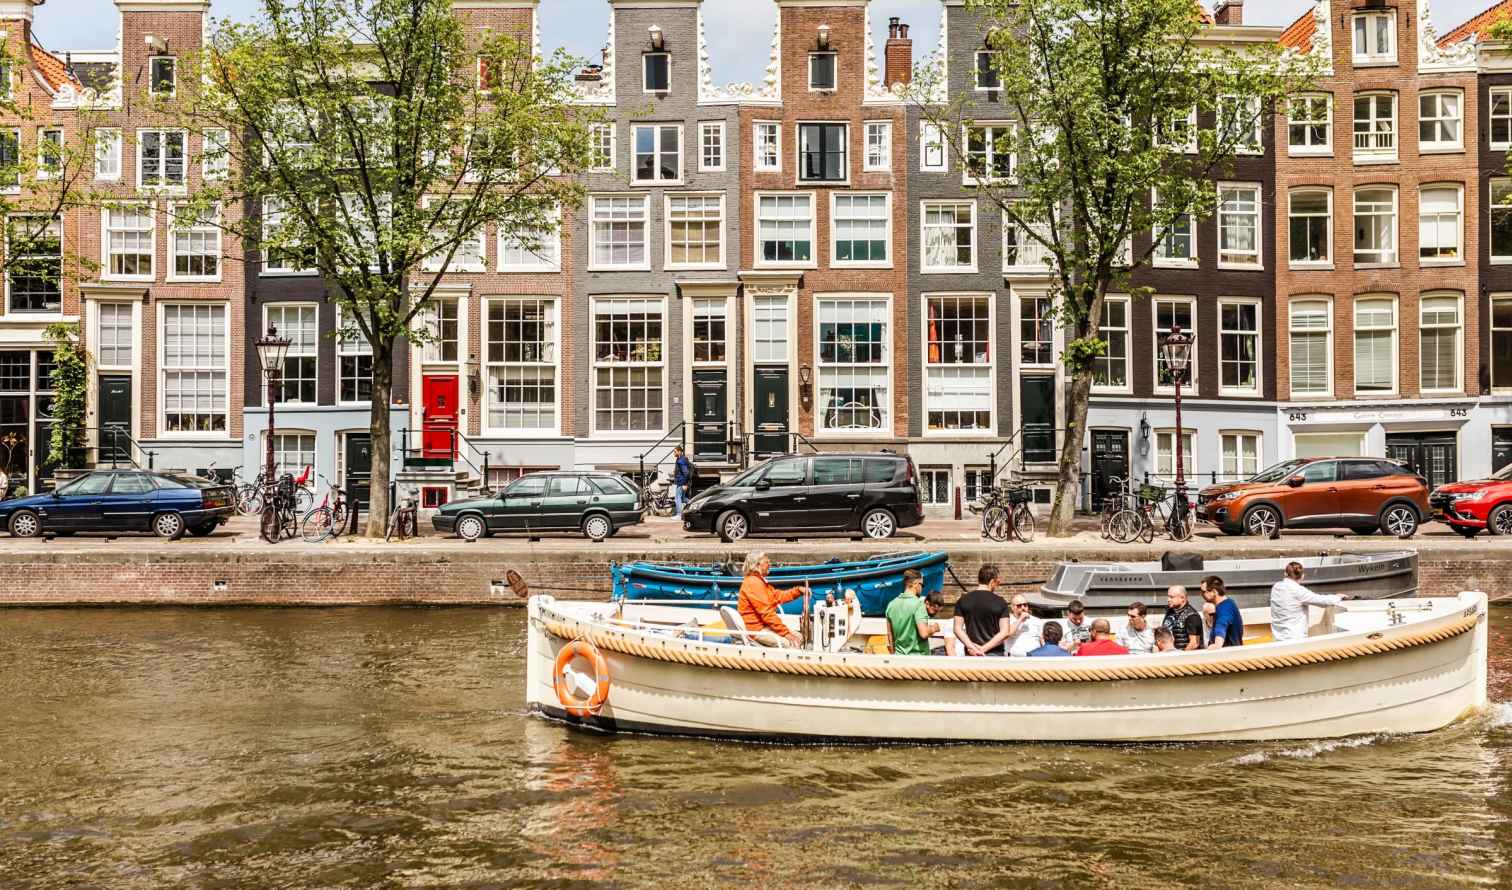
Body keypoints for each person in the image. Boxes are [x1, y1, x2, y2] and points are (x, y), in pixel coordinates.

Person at [737, 551, 810, 648]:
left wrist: (797, 591)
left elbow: (778, 596)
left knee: (799, 636)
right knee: (791, 643)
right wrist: (785, 634)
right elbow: (767, 613)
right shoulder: (754, 583)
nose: (769, 565)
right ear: (758, 565)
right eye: (767, 562)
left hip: (762, 627)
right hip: (756, 630)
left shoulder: (759, 581)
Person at [1270, 561, 1351, 643]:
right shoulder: (1298, 591)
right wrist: (1337, 597)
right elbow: (1322, 601)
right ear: (1302, 576)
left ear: (1285, 574)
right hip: (1294, 639)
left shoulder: (1276, 587)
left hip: (1277, 638)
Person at [954, 564, 1012, 656]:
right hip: (994, 653)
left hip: (971, 653)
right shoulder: (1001, 602)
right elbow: (1005, 632)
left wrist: (971, 647)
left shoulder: (963, 600)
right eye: (998, 582)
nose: (997, 585)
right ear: (992, 581)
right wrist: (983, 649)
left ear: (979, 580)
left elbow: (957, 629)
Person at [886, 569, 941, 656]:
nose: (922, 588)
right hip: (918, 660)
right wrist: (934, 628)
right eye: (922, 585)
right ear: (915, 584)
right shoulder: (919, 604)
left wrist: (894, 655)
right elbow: (924, 633)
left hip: (899, 658)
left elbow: (890, 637)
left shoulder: (891, 605)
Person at [1200, 575, 1244, 649]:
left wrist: (1217, 644)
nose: (1201, 594)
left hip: (1229, 655)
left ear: (1214, 591)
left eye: (1203, 592)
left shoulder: (1225, 608)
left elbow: (1221, 625)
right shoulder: (1224, 605)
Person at [1161, 585, 1204, 651]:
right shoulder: (1170, 611)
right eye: (1168, 596)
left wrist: (1181, 655)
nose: (1168, 600)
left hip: (1186, 657)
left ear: (1182, 598)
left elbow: (1194, 643)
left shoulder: (1192, 616)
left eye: (1171, 597)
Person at [672, 446, 694, 516]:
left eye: (675, 452)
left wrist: (685, 484)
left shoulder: (681, 460)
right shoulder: (681, 459)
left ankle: (679, 514)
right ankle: (693, 504)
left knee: (677, 498)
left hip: (682, 482)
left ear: (679, 452)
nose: (674, 453)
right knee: (682, 498)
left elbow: (686, 473)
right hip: (681, 481)